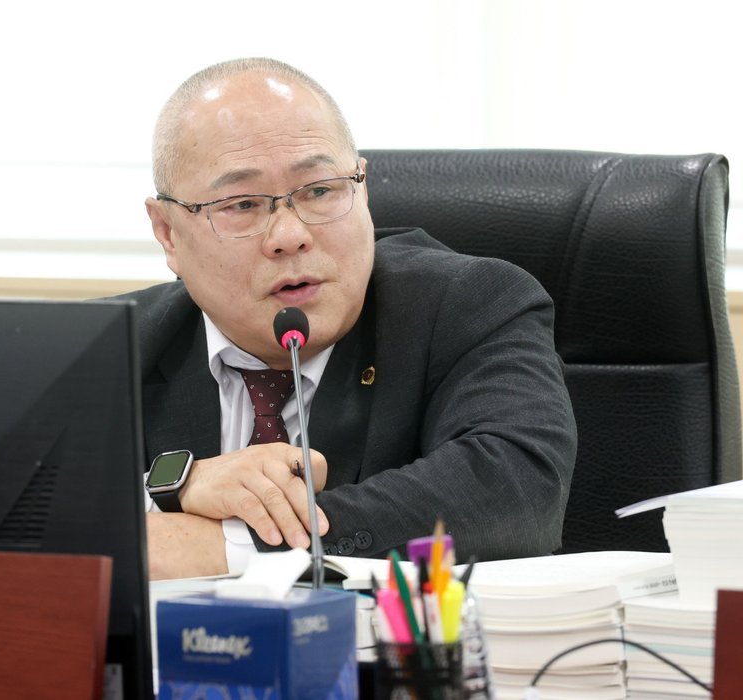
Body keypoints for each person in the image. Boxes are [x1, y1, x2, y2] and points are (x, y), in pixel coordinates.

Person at [122, 58, 577, 580]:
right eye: (242, 204)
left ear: (362, 190)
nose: (290, 236)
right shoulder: (107, 347)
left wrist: (232, 547)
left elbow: (517, 491)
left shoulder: (471, 304)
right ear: (168, 232)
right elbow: (39, 501)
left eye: (320, 191)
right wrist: (171, 488)